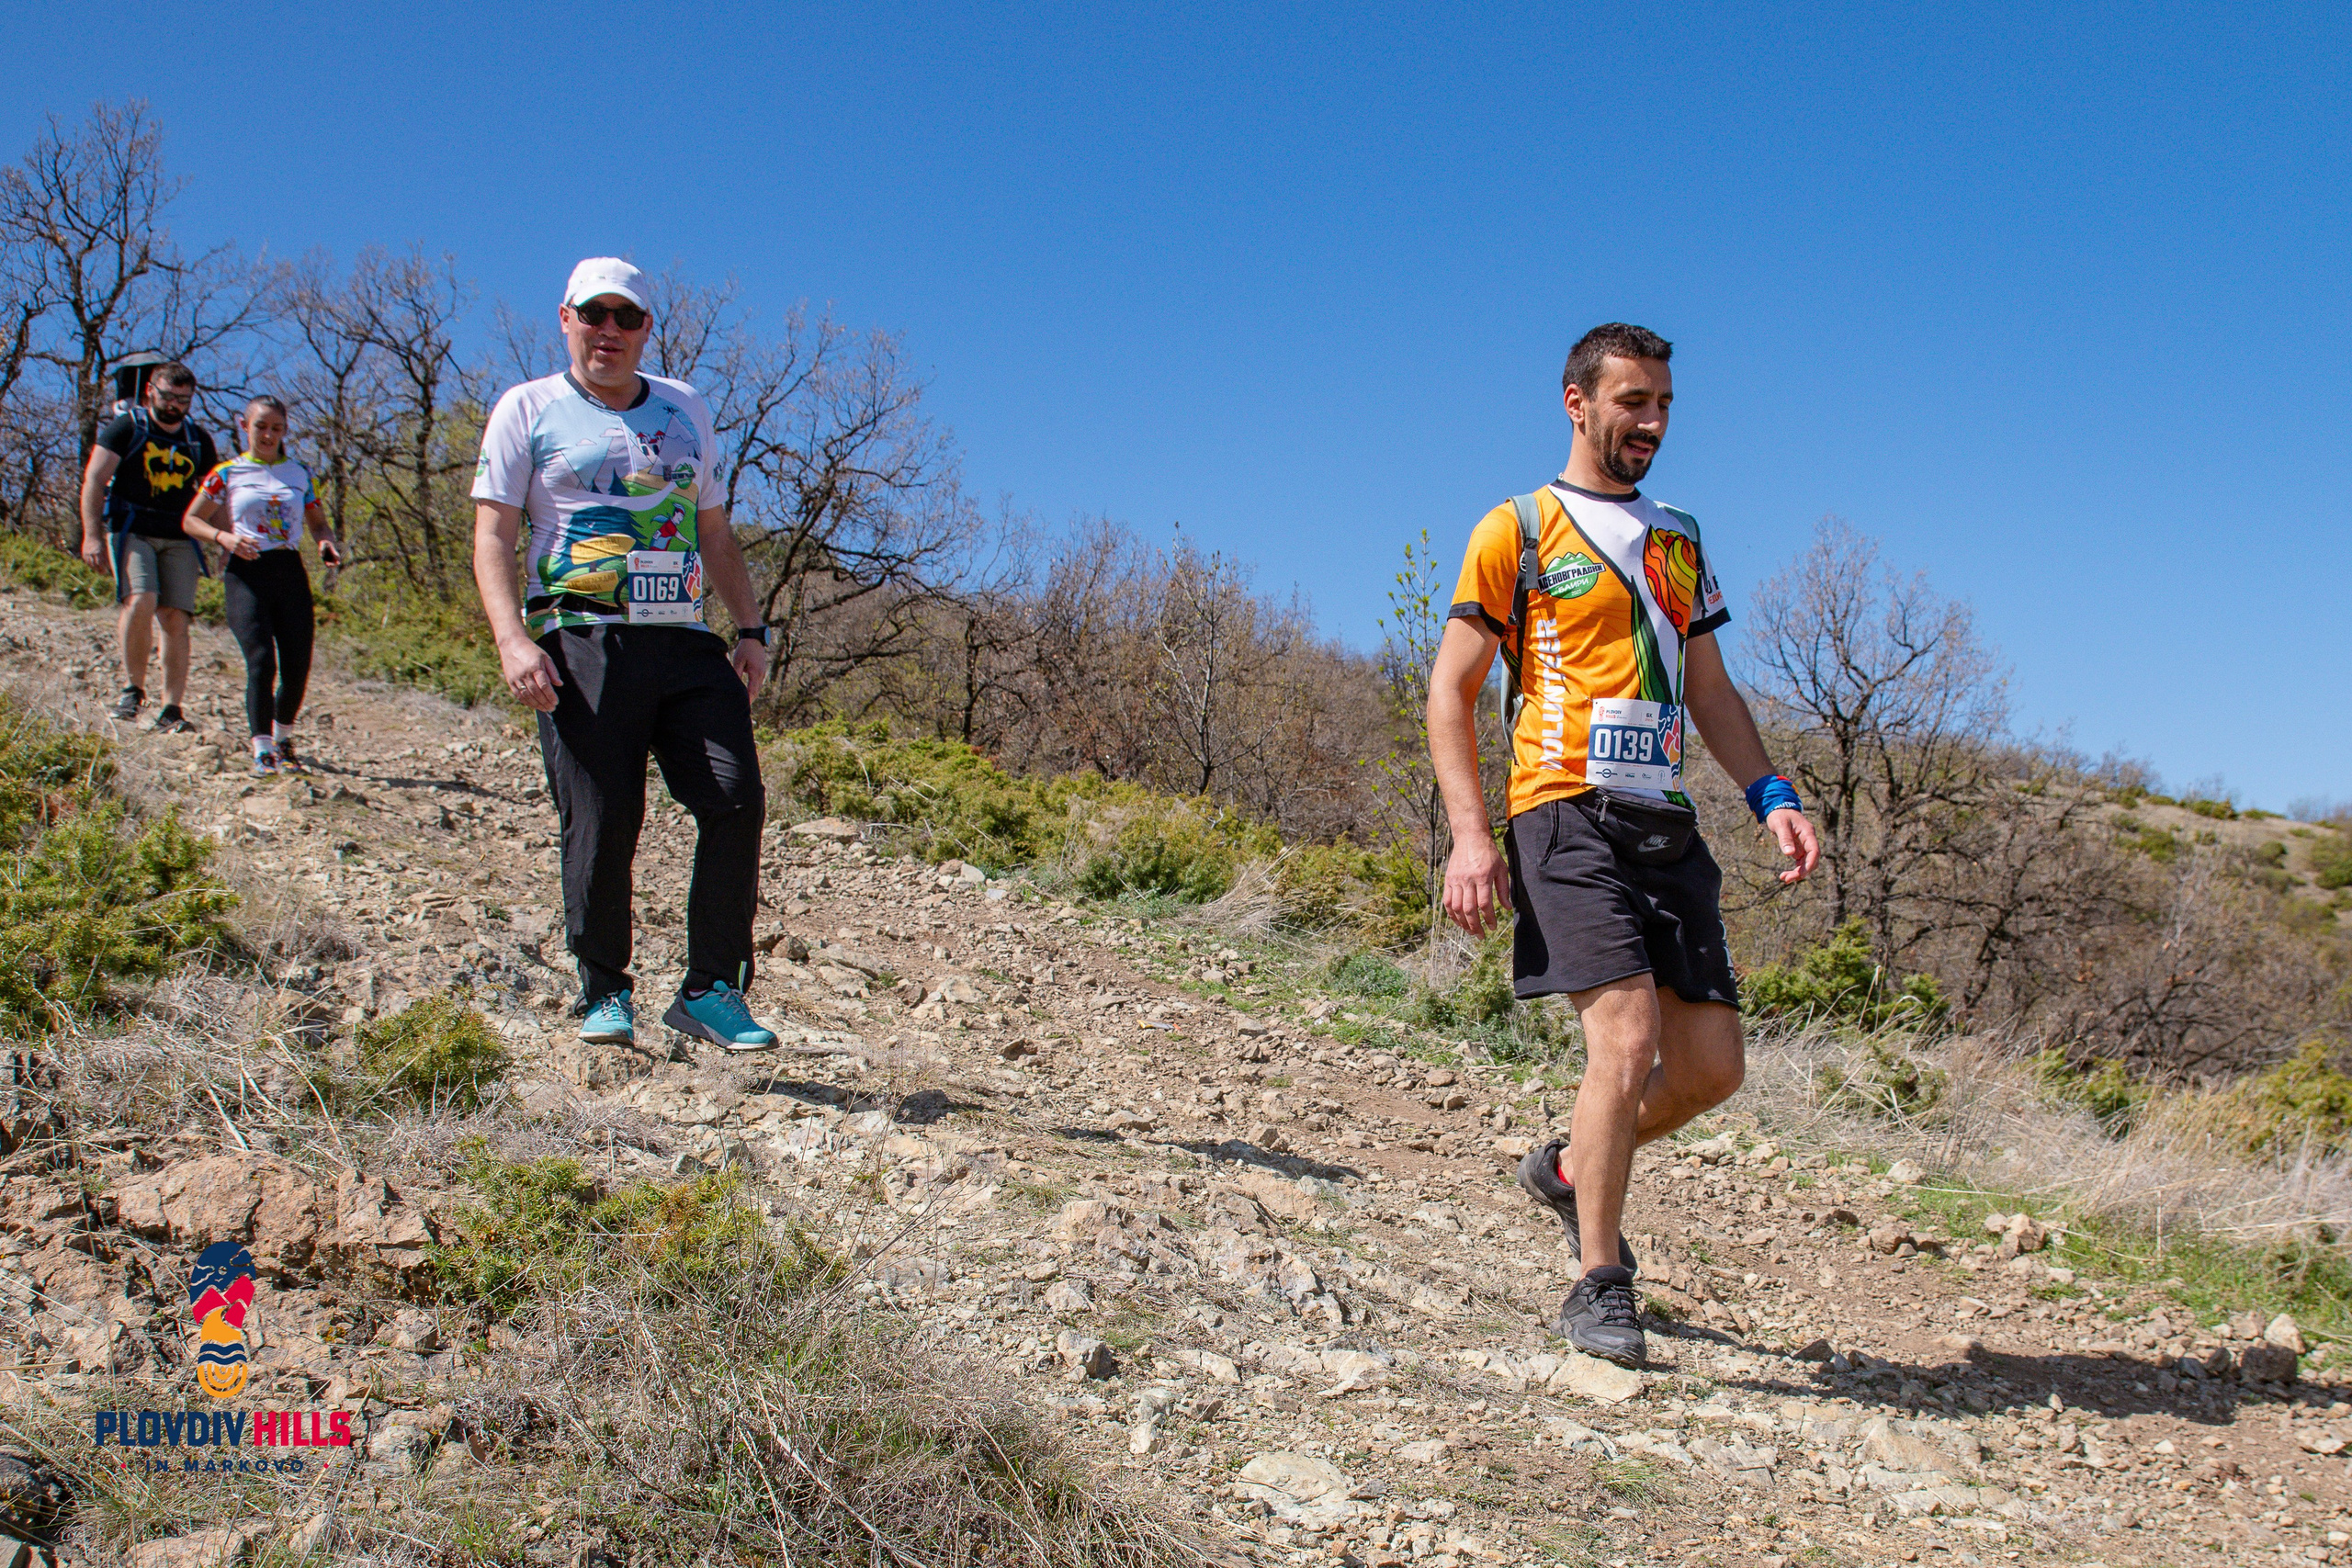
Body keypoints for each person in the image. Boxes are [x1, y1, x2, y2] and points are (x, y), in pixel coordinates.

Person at [1426, 322, 1821, 1366]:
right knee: (1626, 1038)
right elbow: (1450, 689)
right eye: (1631, 402)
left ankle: (1566, 1169)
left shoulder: (1678, 538)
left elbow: (1709, 688)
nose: (1649, 422)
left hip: (1664, 819)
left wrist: (1768, 791)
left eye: (1662, 406)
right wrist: (1471, 837)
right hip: (1559, 808)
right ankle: (1599, 1281)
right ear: (1576, 402)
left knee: (1709, 1070)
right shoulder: (1518, 527)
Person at [469, 256, 778, 1055]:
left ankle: (711, 988)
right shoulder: (527, 408)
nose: (609, 329)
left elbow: (712, 530)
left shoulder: (685, 408)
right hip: (582, 636)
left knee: (735, 796)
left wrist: (749, 630)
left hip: (681, 636)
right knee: (603, 820)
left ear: (646, 328)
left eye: (627, 317)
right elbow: (494, 534)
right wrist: (512, 638)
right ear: (566, 318)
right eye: (594, 314)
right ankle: (604, 987)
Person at [182, 396, 344, 774]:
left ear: (285, 431)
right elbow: (191, 521)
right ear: (244, 426)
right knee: (260, 660)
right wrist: (224, 539)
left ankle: (283, 736)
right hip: (246, 569)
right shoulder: (227, 472)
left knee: (297, 663)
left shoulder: (300, 472)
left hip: (289, 569)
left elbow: (319, 522)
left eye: (276, 428)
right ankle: (262, 747)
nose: (268, 435)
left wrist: (325, 542)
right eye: (261, 426)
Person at [78, 362, 219, 729]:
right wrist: (92, 534)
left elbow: (213, 497)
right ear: (150, 392)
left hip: (179, 535)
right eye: (168, 395)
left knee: (176, 617)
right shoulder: (126, 428)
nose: (173, 404)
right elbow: (95, 479)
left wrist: (227, 541)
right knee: (140, 599)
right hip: (131, 528)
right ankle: (132, 690)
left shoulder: (198, 440)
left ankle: (172, 709)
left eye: (183, 399)